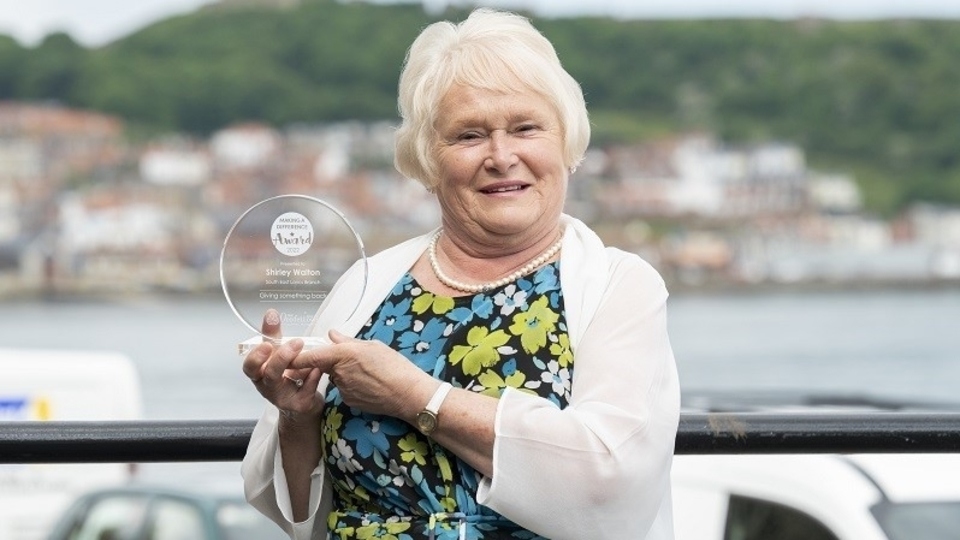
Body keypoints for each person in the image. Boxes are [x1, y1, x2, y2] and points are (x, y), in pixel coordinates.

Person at [241, 8, 680, 540]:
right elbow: (298, 512)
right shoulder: (366, 287)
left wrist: (416, 396)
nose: (501, 156)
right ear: (428, 159)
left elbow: (609, 475)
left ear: (565, 143)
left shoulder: (619, 285)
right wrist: (297, 416)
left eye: (525, 128)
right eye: (469, 135)